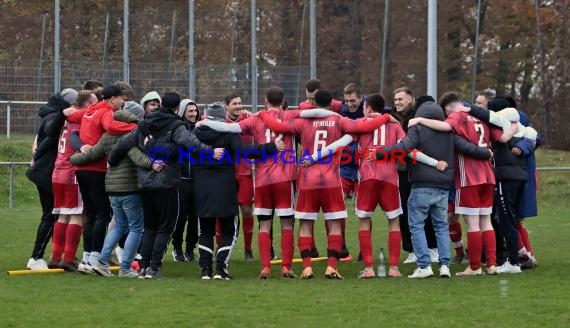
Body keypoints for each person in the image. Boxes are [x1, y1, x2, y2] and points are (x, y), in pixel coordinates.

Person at [199, 86, 335, 279]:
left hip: (263, 179)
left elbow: (228, 127)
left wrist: (203, 124)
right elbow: (317, 112)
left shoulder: (256, 118)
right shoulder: (291, 115)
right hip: (285, 178)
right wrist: (334, 116)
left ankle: (265, 268)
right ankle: (286, 267)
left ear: (265, 100)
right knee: (287, 223)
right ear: (283, 101)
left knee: (264, 224)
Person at [258, 89, 392, 280]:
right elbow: (362, 126)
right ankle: (331, 267)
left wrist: (262, 114)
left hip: (307, 180)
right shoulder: (339, 120)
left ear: (313, 104)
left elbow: (276, 127)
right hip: (331, 180)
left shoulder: (302, 121)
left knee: (305, 224)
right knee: (334, 223)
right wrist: (387, 117)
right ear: (332, 103)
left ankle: (306, 268)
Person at [378, 101, 493, 278]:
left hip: (421, 185)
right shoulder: (448, 133)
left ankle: (424, 266)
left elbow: (404, 148)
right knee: (441, 226)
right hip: (443, 187)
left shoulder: (417, 129)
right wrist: (487, 153)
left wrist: (379, 153)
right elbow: (468, 148)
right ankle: (444, 265)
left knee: (416, 226)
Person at [409, 92, 518, 276]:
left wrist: (419, 120)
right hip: (488, 176)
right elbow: (503, 139)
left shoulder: (457, 116)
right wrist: (514, 128)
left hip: (469, 177)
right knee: (486, 222)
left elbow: (444, 126)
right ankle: (491, 264)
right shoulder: (480, 116)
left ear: (448, 108)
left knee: (473, 223)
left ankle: (474, 267)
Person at [108, 92, 215, 279]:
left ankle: (142, 267)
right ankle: (154, 268)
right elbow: (191, 143)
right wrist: (211, 152)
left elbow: (124, 143)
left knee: (149, 227)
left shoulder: (144, 124)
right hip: (167, 183)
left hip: (145, 184)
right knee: (165, 227)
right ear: (176, 108)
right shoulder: (175, 126)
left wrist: (112, 159)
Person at [192, 102, 284, 280]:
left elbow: (187, 153)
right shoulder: (228, 133)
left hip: (202, 188)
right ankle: (221, 269)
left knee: (205, 231)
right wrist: (271, 147)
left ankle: (205, 271)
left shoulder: (195, 134)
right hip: (225, 188)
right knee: (229, 231)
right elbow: (245, 151)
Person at [71, 101, 151, 278]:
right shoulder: (132, 134)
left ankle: (101, 260)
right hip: (129, 187)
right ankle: (125, 268)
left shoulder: (107, 135)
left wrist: (74, 158)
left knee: (118, 225)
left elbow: (92, 154)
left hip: (111, 187)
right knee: (136, 227)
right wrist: (153, 163)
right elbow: (137, 157)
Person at [65, 85, 136, 274]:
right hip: (96, 168)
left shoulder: (89, 110)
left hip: (81, 168)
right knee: (101, 215)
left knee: (90, 214)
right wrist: (136, 126)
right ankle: (96, 258)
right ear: (112, 99)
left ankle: (87, 258)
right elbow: (111, 127)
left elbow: (72, 116)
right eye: (123, 99)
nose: (123, 103)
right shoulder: (105, 111)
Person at [25, 88, 78, 270]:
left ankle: (58, 255)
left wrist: (36, 157)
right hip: (47, 173)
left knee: (56, 215)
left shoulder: (54, 115)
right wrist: (37, 157)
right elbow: (49, 134)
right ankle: (36, 257)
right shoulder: (54, 118)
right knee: (51, 215)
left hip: (47, 171)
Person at [47, 90, 95, 272]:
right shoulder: (79, 117)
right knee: (77, 215)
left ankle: (55, 256)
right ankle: (68, 258)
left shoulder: (67, 118)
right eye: (94, 103)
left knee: (62, 215)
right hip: (72, 172)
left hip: (58, 171)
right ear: (88, 105)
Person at [391, 88, 439, 264]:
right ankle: (411, 249)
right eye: (395, 99)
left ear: (411, 99)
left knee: (424, 211)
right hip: (402, 172)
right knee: (404, 210)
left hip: (420, 171)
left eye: (401, 99)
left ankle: (432, 248)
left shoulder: (418, 118)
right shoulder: (395, 118)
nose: (397, 102)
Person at [224, 93, 256, 261]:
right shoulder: (221, 121)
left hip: (244, 172)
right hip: (226, 172)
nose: (238, 106)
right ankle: (219, 248)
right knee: (221, 210)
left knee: (247, 211)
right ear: (226, 106)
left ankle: (248, 248)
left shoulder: (248, 120)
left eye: (240, 103)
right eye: (234, 103)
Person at [171, 99, 201, 262]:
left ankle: (190, 249)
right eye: (190, 111)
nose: (193, 114)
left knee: (195, 217)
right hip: (180, 181)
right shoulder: (177, 130)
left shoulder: (201, 129)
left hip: (197, 181)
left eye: (195, 111)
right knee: (180, 217)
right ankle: (177, 247)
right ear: (182, 112)